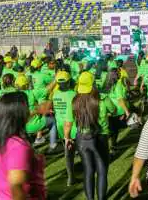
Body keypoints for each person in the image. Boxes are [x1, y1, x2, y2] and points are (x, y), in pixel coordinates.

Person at [64, 71, 115, 200]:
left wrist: (67, 138)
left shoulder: (74, 101)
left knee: (88, 171)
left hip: (81, 138)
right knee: (102, 171)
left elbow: (68, 123)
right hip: (101, 138)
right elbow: (114, 110)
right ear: (93, 84)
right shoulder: (102, 98)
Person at [0, 92, 46, 199]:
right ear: (19, 113)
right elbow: (17, 188)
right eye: (27, 108)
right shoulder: (17, 146)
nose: (28, 111)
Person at [52, 70, 78, 186]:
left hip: (61, 128)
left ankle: (71, 177)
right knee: (79, 152)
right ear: (68, 82)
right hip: (74, 128)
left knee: (68, 153)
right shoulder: (73, 94)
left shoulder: (55, 94)